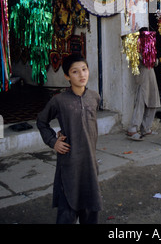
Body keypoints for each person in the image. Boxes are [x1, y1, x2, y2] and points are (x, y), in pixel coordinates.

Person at [36, 53, 102, 224]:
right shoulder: (59, 101)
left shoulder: (94, 97)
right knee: (67, 211)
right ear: (67, 76)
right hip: (69, 163)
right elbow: (41, 121)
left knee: (90, 207)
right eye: (75, 72)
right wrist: (53, 141)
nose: (81, 75)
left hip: (90, 162)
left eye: (84, 69)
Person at [127, 28, 161, 141]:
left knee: (153, 101)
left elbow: (155, 63)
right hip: (142, 77)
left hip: (151, 77)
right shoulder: (136, 49)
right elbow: (144, 61)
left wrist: (152, 51)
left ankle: (146, 127)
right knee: (141, 103)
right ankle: (133, 128)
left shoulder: (150, 48)